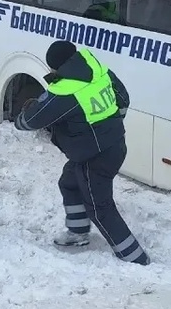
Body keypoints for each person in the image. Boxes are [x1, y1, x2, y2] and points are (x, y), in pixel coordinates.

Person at [15, 40, 149, 265]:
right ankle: (77, 234)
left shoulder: (66, 91)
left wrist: (20, 118)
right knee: (69, 182)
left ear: (56, 68)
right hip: (114, 144)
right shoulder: (96, 69)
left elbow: (31, 120)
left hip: (94, 157)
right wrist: (111, 125)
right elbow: (123, 98)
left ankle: (136, 259)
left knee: (100, 208)